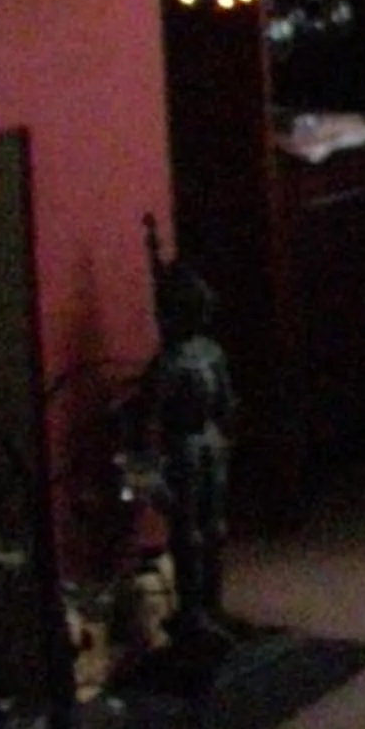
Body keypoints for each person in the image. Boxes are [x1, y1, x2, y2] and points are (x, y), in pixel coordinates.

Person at [135, 219, 237, 663]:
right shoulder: (168, 363)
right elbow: (147, 420)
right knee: (189, 533)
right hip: (183, 446)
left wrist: (229, 431)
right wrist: (147, 474)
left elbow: (226, 401)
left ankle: (214, 607)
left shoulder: (209, 352)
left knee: (215, 528)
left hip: (210, 442)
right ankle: (192, 614)